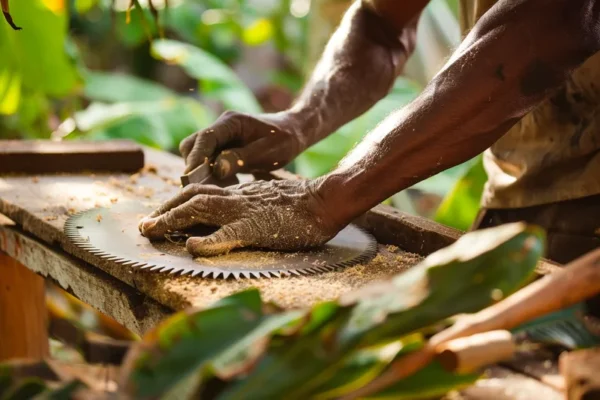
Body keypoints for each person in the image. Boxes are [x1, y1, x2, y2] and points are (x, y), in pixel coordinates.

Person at [139, 0, 600, 266]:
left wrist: (324, 200)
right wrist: (299, 122)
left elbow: (547, 26)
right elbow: (380, 26)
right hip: (520, 189)